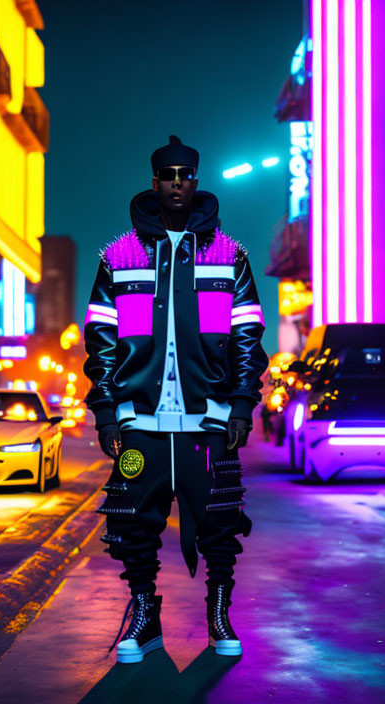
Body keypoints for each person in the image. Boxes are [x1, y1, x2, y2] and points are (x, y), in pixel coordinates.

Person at [83, 136, 267, 664]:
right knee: (131, 522)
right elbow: (100, 339)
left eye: (187, 175)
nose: (179, 183)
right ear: (155, 182)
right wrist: (106, 411)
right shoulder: (118, 257)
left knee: (220, 522)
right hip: (139, 423)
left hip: (206, 424)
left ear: (196, 180)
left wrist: (239, 404)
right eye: (170, 176)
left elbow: (248, 336)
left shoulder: (230, 256)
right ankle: (145, 618)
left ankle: (218, 613)